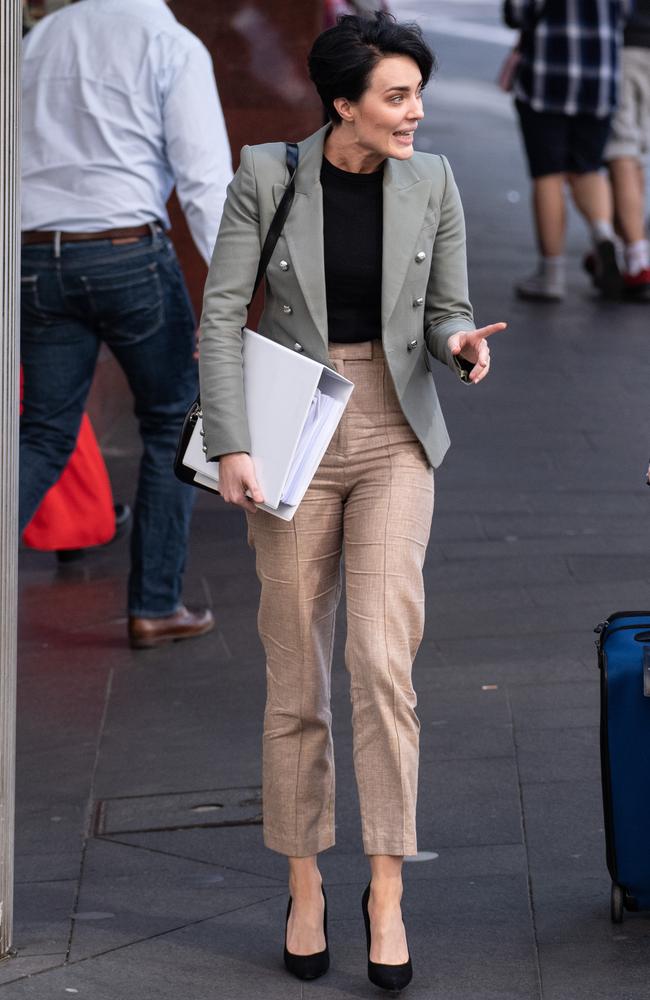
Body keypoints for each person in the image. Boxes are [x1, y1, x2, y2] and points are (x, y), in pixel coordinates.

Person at [199, 12, 505, 992]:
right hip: (290, 428)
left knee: (380, 659)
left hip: (393, 430)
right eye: (396, 95)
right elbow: (221, 309)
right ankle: (302, 881)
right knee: (295, 670)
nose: (415, 112)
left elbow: (447, 307)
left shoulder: (435, 181)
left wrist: (461, 342)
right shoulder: (269, 176)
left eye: (415, 92)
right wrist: (230, 441)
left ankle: (383, 889)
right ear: (343, 104)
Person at [20, 0, 233, 648]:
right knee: (174, 419)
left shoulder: (43, 36)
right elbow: (204, 182)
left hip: (34, 252)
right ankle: (155, 604)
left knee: (45, 434)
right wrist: (233, 291)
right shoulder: (170, 43)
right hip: (125, 250)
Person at [504, 0, 628, 301]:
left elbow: (518, 12)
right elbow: (624, 12)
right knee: (588, 168)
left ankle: (551, 275)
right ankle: (603, 234)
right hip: (599, 78)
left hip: (548, 76)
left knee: (548, 174)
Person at [604, 0, 650, 298]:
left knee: (621, 150)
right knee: (636, 153)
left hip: (624, 45)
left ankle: (637, 258)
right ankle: (628, 243)